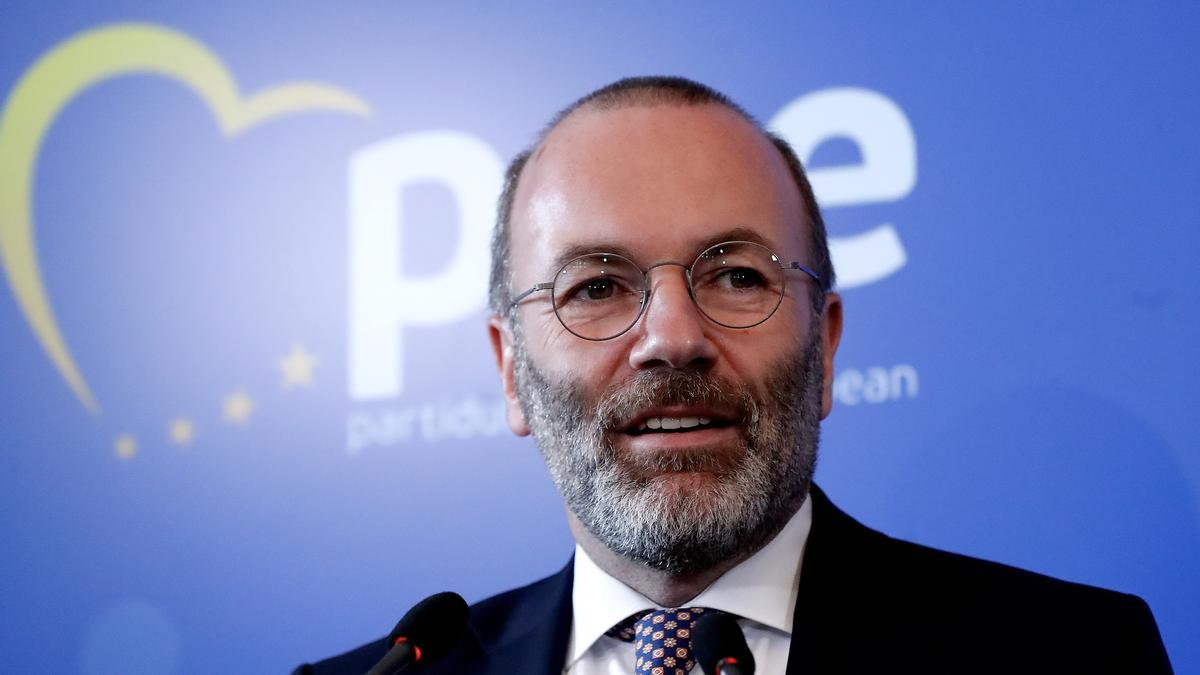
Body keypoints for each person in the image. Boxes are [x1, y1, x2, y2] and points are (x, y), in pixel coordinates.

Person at [297, 76, 1172, 674]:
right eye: (597, 287)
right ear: (511, 371)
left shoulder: (1071, 653)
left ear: (824, 347)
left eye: (737, 275)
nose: (673, 337)